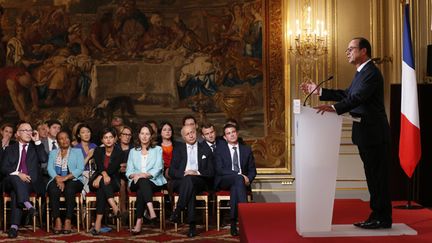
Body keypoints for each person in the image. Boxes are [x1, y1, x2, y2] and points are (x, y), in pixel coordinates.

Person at [300, 37, 392, 229]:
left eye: (351, 49)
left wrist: (334, 108)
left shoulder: (371, 73)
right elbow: (347, 94)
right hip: (365, 133)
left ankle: (382, 218)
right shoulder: (361, 73)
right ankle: (377, 216)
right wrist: (319, 90)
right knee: (373, 177)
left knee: (378, 177)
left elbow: (357, 98)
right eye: (347, 49)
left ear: (364, 51)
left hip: (374, 133)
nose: (347, 52)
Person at [1, 122, 47, 238]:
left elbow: (43, 159)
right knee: (15, 178)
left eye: (30, 130)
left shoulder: (35, 147)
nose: (28, 132)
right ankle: (28, 205)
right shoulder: (10, 149)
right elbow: (3, 168)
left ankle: (14, 227)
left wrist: (37, 141)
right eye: (24, 130)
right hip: (10, 182)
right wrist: (18, 173)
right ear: (17, 134)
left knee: (16, 192)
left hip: (29, 183)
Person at [169, 125, 214, 238]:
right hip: (182, 181)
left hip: (199, 180)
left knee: (191, 182)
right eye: (188, 134)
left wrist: (197, 172)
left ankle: (178, 210)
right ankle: (192, 226)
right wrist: (184, 173)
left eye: (193, 132)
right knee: (189, 185)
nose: (191, 135)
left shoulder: (205, 148)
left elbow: (211, 171)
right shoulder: (178, 149)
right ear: (183, 137)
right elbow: (172, 171)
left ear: (196, 133)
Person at [214, 123, 256, 236]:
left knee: (236, 185)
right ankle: (245, 218)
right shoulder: (219, 150)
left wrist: (248, 179)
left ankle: (233, 223)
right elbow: (219, 170)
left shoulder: (246, 150)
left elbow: (253, 171)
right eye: (228, 133)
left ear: (237, 133)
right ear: (225, 137)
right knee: (237, 179)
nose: (231, 135)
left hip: (240, 182)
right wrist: (240, 175)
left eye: (233, 132)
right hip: (224, 180)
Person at [126, 123, 166, 234]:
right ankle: (151, 210)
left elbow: (158, 168)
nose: (144, 136)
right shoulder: (133, 151)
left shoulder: (157, 149)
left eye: (147, 134)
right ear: (138, 135)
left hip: (154, 181)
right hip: (135, 181)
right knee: (142, 182)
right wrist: (135, 176)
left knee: (141, 190)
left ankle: (138, 222)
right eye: (142, 133)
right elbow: (129, 171)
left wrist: (142, 175)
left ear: (151, 136)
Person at [47, 130, 84, 234]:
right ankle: (57, 220)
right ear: (58, 142)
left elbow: (80, 168)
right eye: (61, 138)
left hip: (74, 179)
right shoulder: (53, 153)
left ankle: (68, 220)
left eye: (67, 138)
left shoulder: (77, 151)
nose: (65, 140)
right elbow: (50, 168)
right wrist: (58, 178)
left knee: (70, 188)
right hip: (57, 178)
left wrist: (65, 178)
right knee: (53, 189)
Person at [89, 127, 122, 235]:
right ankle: (115, 207)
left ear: (115, 138)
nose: (108, 140)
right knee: (103, 183)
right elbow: (99, 166)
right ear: (102, 140)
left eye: (111, 137)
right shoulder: (98, 150)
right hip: (96, 181)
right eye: (105, 137)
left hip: (113, 181)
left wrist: (101, 177)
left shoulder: (119, 152)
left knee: (102, 190)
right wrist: (102, 175)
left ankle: (97, 224)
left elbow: (113, 168)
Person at [74, 123, 97, 195]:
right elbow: (78, 168)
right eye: (83, 132)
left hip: (93, 174)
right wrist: (88, 156)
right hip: (81, 175)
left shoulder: (95, 146)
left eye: (88, 132)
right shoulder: (76, 149)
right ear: (78, 135)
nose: (86, 134)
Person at [115, 125, 133, 217]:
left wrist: (128, 166)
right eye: (125, 134)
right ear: (119, 136)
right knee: (122, 183)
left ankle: (135, 212)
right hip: (117, 174)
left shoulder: (134, 148)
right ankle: (123, 210)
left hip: (131, 173)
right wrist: (119, 167)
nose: (127, 136)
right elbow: (111, 164)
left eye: (129, 135)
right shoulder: (115, 148)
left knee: (130, 183)